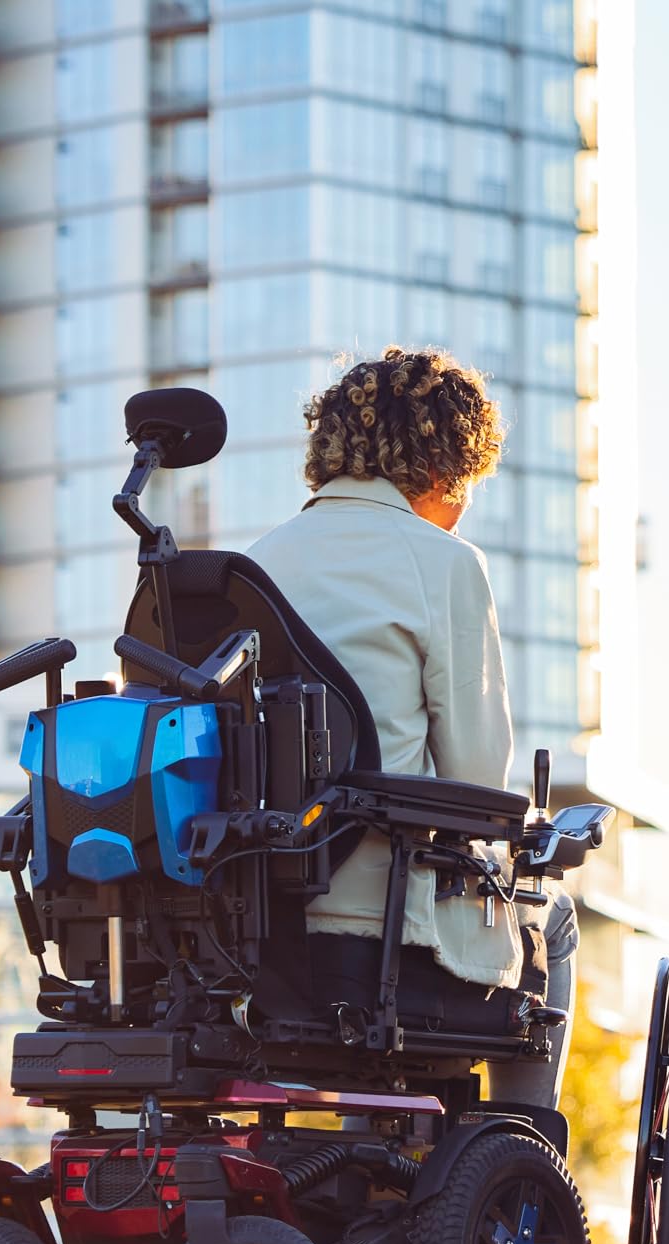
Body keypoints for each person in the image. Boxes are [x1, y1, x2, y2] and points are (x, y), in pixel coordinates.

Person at [246, 345, 577, 1111]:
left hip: (264, 933)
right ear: (444, 471)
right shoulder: (445, 562)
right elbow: (473, 783)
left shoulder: (255, 566)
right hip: (390, 927)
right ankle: (518, 1151)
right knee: (553, 919)